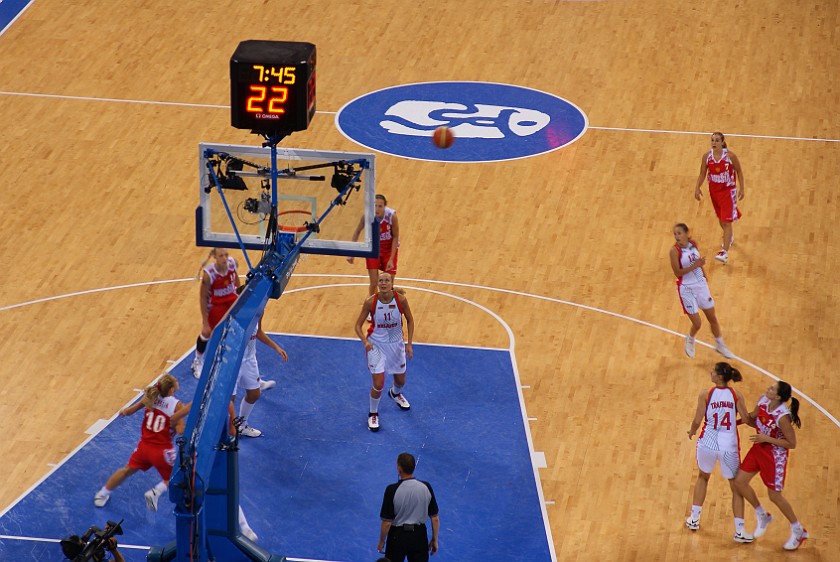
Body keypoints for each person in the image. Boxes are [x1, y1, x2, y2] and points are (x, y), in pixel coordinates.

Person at [93, 374, 191, 511]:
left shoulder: (151, 397)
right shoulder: (177, 405)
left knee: (126, 470)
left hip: (144, 447)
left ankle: (102, 494)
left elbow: (128, 412)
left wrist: (123, 411)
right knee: (176, 477)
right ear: (171, 390)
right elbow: (180, 431)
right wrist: (182, 420)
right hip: (162, 450)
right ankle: (154, 493)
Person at [734, 381, 808, 550]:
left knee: (774, 496)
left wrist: (766, 438)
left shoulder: (782, 417)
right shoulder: (762, 400)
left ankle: (798, 530)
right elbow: (754, 417)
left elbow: (791, 443)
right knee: (739, 482)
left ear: (778, 397)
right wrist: (735, 420)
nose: (768, 388)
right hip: (759, 448)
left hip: (775, 455)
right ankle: (762, 515)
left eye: (772, 388)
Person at [685, 362, 755, 542]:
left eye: (713, 371)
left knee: (702, 477)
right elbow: (747, 419)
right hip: (728, 446)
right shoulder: (736, 395)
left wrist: (692, 431)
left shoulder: (706, 394)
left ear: (719, 377)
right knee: (735, 487)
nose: (711, 372)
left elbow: (697, 420)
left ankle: (694, 519)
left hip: (707, 444)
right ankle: (739, 531)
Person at [354, 272, 414, 432]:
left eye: (387, 280)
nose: (384, 283)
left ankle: (394, 394)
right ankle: (373, 413)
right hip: (377, 346)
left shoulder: (400, 300)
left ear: (391, 282)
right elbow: (357, 326)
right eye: (381, 281)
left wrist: (409, 344)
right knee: (378, 384)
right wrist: (365, 341)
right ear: (378, 284)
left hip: (396, 344)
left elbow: (410, 320)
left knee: (401, 381)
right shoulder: (370, 302)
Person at [670, 223, 735, 359]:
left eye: (679, 233)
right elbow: (677, 273)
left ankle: (720, 344)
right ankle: (690, 338)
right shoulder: (674, 251)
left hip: (700, 285)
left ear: (687, 233)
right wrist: (697, 265)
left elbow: (698, 261)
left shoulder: (693, 244)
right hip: (686, 288)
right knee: (697, 323)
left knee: (712, 318)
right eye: (675, 234)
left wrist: (703, 273)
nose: (677, 236)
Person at [232, 284, 289, 437]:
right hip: (233, 360)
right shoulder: (234, 314)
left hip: (249, 359)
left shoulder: (259, 311)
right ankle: (226, 431)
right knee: (228, 401)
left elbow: (259, 332)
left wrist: (276, 347)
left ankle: (241, 426)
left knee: (254, 394)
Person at [693, 132, 746, 265]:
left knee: (726, 222)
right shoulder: (707, 157)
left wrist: (742, 188)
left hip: (728, 191)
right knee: (721, 221)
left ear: (722, 142)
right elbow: (702, 174)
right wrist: (697, 187)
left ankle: (725, 252)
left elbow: (739, 171)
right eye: (712, 140)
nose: (714, 142)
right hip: (714, 192)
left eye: (717, 140)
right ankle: (730, 237)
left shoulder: (730, 156)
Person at [378, 452, 439, 562]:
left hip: (397, 537)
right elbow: (434, 518)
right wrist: (435, 539)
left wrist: (382, 541)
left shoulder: (391, 490)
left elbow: (387, 523)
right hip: (419, 536)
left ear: (399, 469)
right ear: (414, 466)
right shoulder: (426, 487)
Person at [193, 248, 241, 378]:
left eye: (226, 255)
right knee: (207, 333)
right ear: (214, 256)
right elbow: (203, 297)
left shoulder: (232, 263)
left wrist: (240, 294)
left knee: (236, 329)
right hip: (215, 304)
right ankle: (198, 361)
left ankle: (231, 358)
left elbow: (236, 279)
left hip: (231, 299)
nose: (225, 258)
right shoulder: (209, 274)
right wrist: (205, 322)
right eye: (221, 256)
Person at [347, 194, 401, 296]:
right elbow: (357, 232)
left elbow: (395, 237)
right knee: (374, 283)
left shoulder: (392, 216)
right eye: (375, 206)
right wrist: (351, 253)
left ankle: (389, 304)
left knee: (389, 282)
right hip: (373, 249)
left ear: (385, 206)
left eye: (380, 206)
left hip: (389, 249)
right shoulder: (367, 216)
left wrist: (391, 258)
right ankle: (372, 305)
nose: (377, 209)